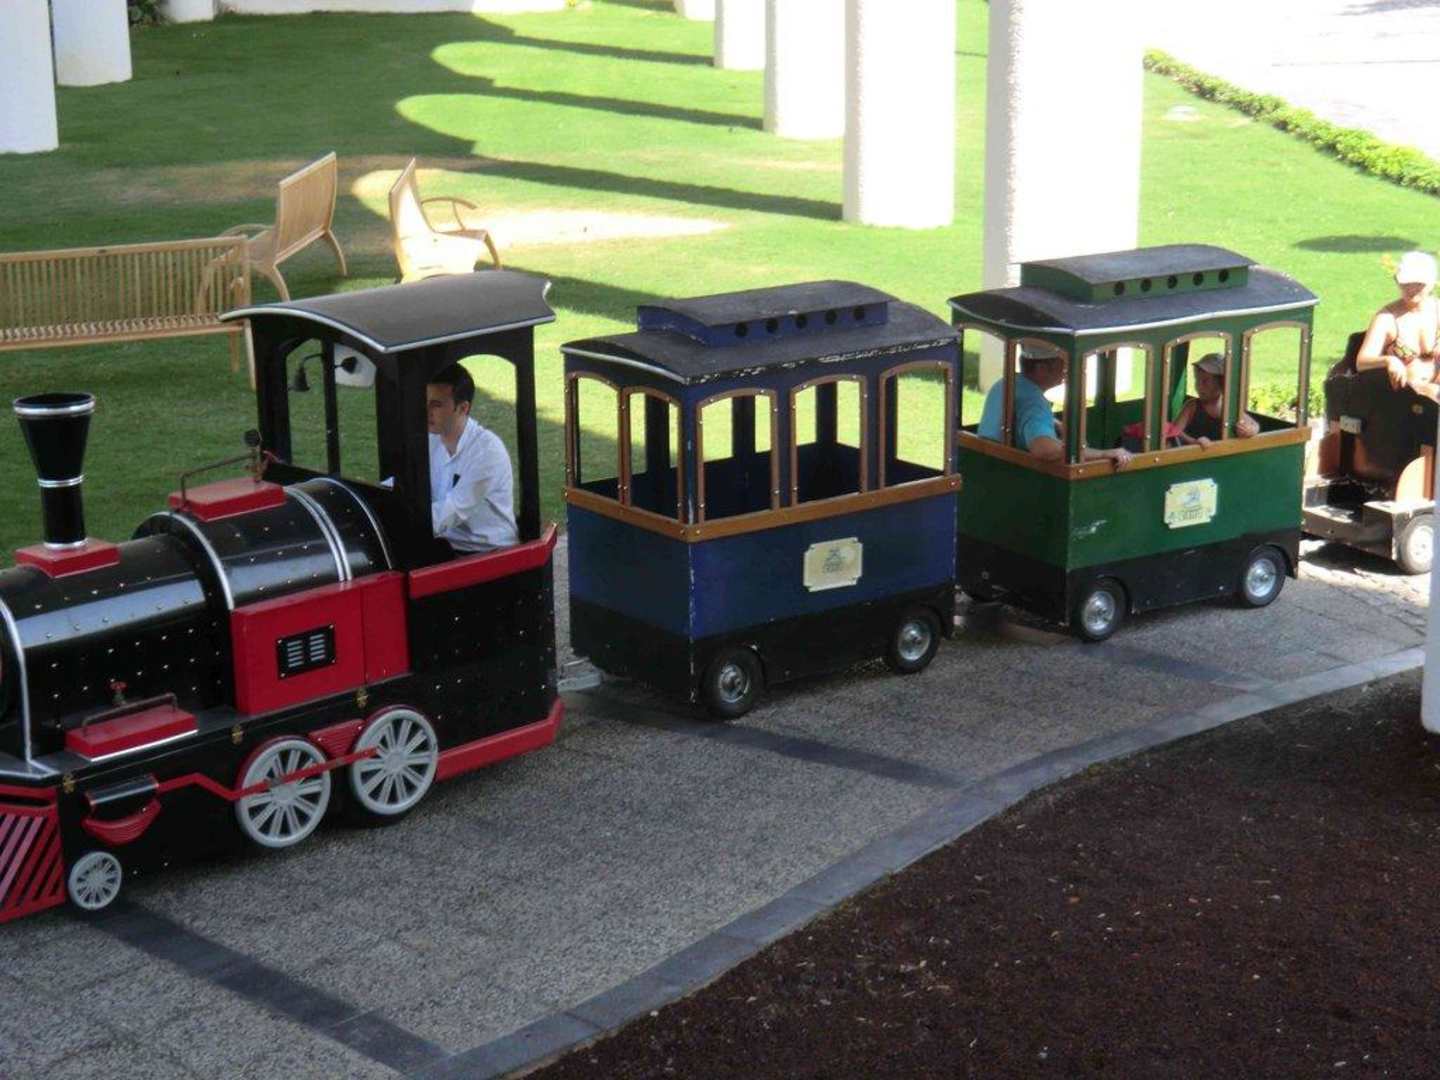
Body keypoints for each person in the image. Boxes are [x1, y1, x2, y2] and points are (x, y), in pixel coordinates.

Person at [977, 347, 1131, 468]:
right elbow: (1044, 449)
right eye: (1061, 363)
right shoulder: (1034, 401)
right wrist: (1103, 454)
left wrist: (1054, 422)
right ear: (1041, 368)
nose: (1066, 369)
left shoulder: (1005, 383)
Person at [425, 362, 518, 553]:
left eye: (436, 405)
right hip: (447, 545)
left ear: (463, 408)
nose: (426, 412)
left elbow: (453, 512)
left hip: (489, 554)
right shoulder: (430, 441)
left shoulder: (488, 452)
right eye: (424, 402)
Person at [1356, 250, 1440, 402]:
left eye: (1418, 284)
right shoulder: (1387, 318)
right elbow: (1362, 362)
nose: (1411, 289)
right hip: (1402, 400)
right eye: (1405, 283)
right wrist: (1389, 361)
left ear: (1432, 283)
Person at [1173, 352, 1259, 448]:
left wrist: (1250, 430)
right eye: (1197, 380)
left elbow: (1254, 425)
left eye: (1205, 381)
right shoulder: (1192, 406)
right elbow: (1175, 430)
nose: (1199, 386)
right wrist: (1194, 442)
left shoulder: (1228, 408)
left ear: (1221, 383)